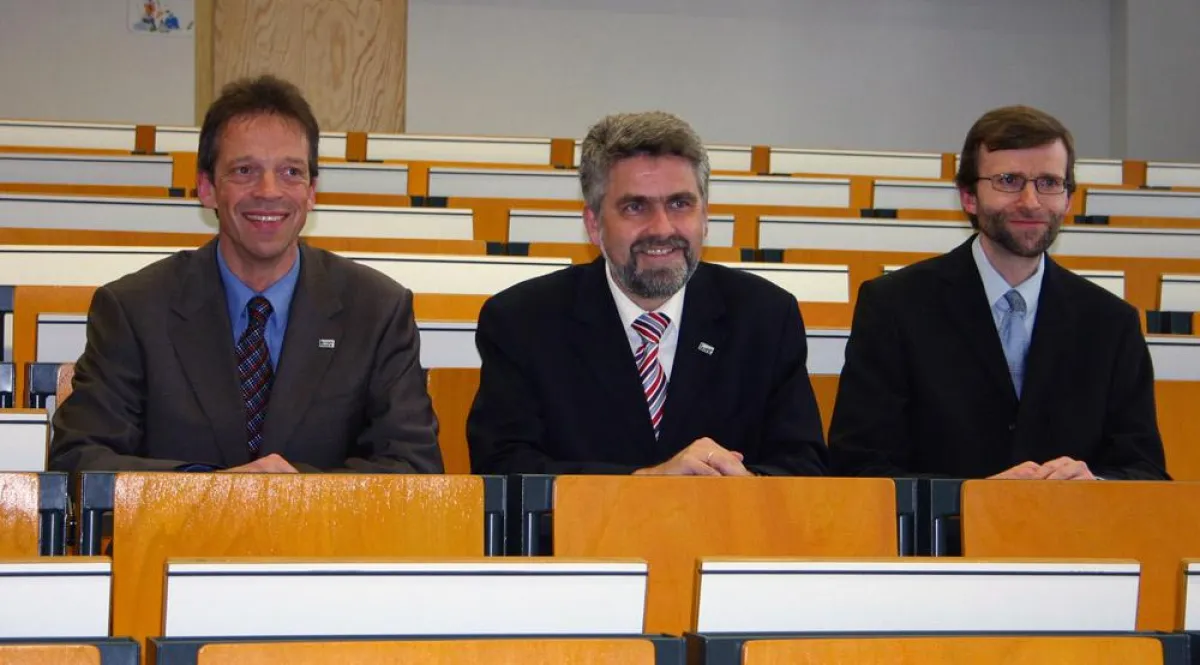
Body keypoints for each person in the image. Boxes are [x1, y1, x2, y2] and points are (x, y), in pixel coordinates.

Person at [49, 74, 442, 473]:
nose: (269, 191)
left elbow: (414, 467)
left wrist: (298, 492)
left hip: (325, 536)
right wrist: (215, 491)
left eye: (291, 172)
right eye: (244, 171)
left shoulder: (376, 309)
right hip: (178, 535)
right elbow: (80, 458)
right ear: (206, 188)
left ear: (312, 191)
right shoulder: (134, 309)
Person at [466, 111, 827, 476]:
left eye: (680, 204)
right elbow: (504, 471)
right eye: (635, 207)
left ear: (705, 217)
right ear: (594, 224)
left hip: (726, 531)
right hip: (583, 534)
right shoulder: (522, 321)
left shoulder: (765, 315)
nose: (662, 228)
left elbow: (804, 468)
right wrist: (644, 486)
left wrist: (741, 488)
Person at [829, 105, 1168, 480]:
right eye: (1009, 180)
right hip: (944, 537)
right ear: (968, 197)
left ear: (1069, 199)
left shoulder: (1111, 322)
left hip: (1073, 535)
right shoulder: (894, 305)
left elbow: (1145, 471)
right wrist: (975, 499)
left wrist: (1098, 487)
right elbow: (858, 465)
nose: (1031, 201)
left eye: (1049, 182)